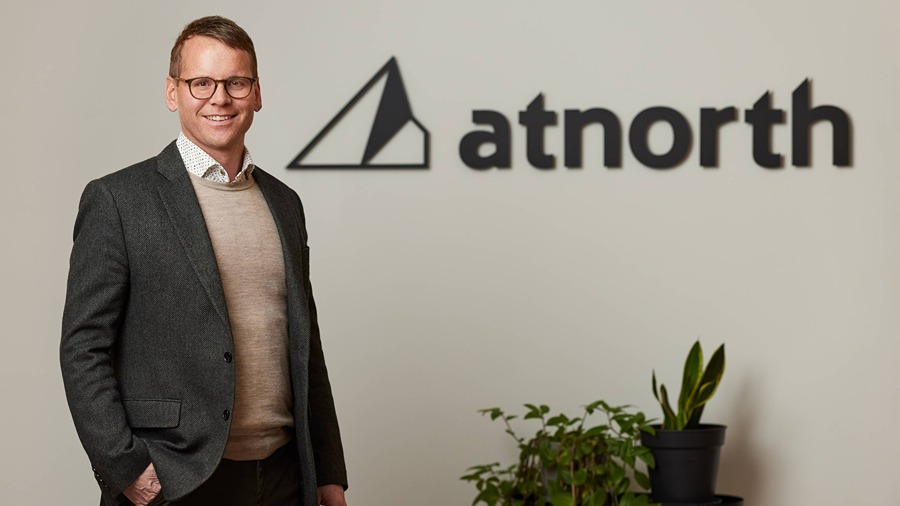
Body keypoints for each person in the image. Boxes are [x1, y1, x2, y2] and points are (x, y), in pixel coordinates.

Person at [60, 16, 347, 506]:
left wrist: (327, 472)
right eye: (201, 83)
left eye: (236, 82)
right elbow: (83, 347)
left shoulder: (284, 203)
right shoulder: (119, 200)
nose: (220, 98)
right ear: (173, 92)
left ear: (257, 94)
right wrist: (126, 468)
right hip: (176, 477)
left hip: (284, 474)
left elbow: (306, 344)